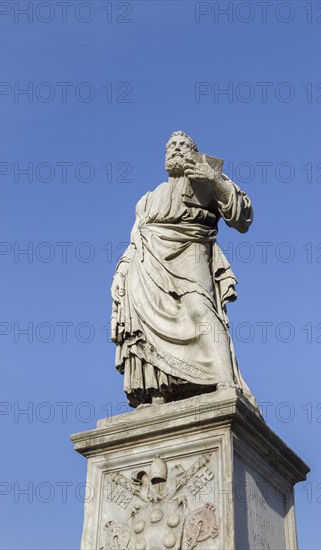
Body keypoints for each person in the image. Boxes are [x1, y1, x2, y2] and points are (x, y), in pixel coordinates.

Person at [111, 131, 258, 409]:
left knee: (200, 310)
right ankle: (159, 390)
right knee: (145, 322)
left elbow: (242, 217)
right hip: (146, 264)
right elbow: (135, 238)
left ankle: (225, 381)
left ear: (193, 151)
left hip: (191, 252)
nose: (175, 149)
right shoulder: (147, 198)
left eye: (182, 145)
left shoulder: (205, 179)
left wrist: (214, 180)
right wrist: (120, 274)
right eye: (171, 146)